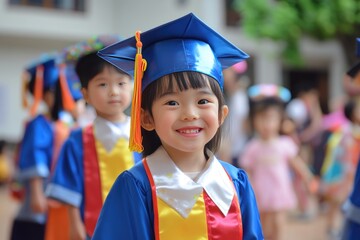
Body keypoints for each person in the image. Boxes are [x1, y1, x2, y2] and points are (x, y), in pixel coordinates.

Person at [92, 13, 263, 240]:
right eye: (172, 102)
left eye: (203, 101)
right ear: (146, 119)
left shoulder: (236, 182)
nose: (190, 114)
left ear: (222, 114)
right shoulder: (136, 187)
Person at [46, 35, 142, 240]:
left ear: (133, 87)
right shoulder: (77, 140)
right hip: (92, 229)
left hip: (136, 226)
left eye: (121, 83)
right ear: (86, 94)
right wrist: (74, 224)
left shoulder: (142, 137)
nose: (114, 92)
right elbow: (70, 189)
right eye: (102, 85)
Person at [10, 52, 81, 240]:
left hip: (55, 193)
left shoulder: (61, 123)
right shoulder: (39, 123)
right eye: (58, 91)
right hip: (40, 192)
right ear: (47, 94)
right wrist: (35, 192)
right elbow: (35, 155)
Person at [241, 84, 316, 240]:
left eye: (271, 119)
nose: (266, 124)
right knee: (264, 227)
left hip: (280, 192)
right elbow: (246, 170)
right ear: (254, 121)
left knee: (279, 225)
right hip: (261, 193)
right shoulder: (252, 147)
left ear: (280, 121)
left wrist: (308, 176)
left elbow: (296, 163)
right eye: (261, 119)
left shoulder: (285, 144)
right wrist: (248, 190)